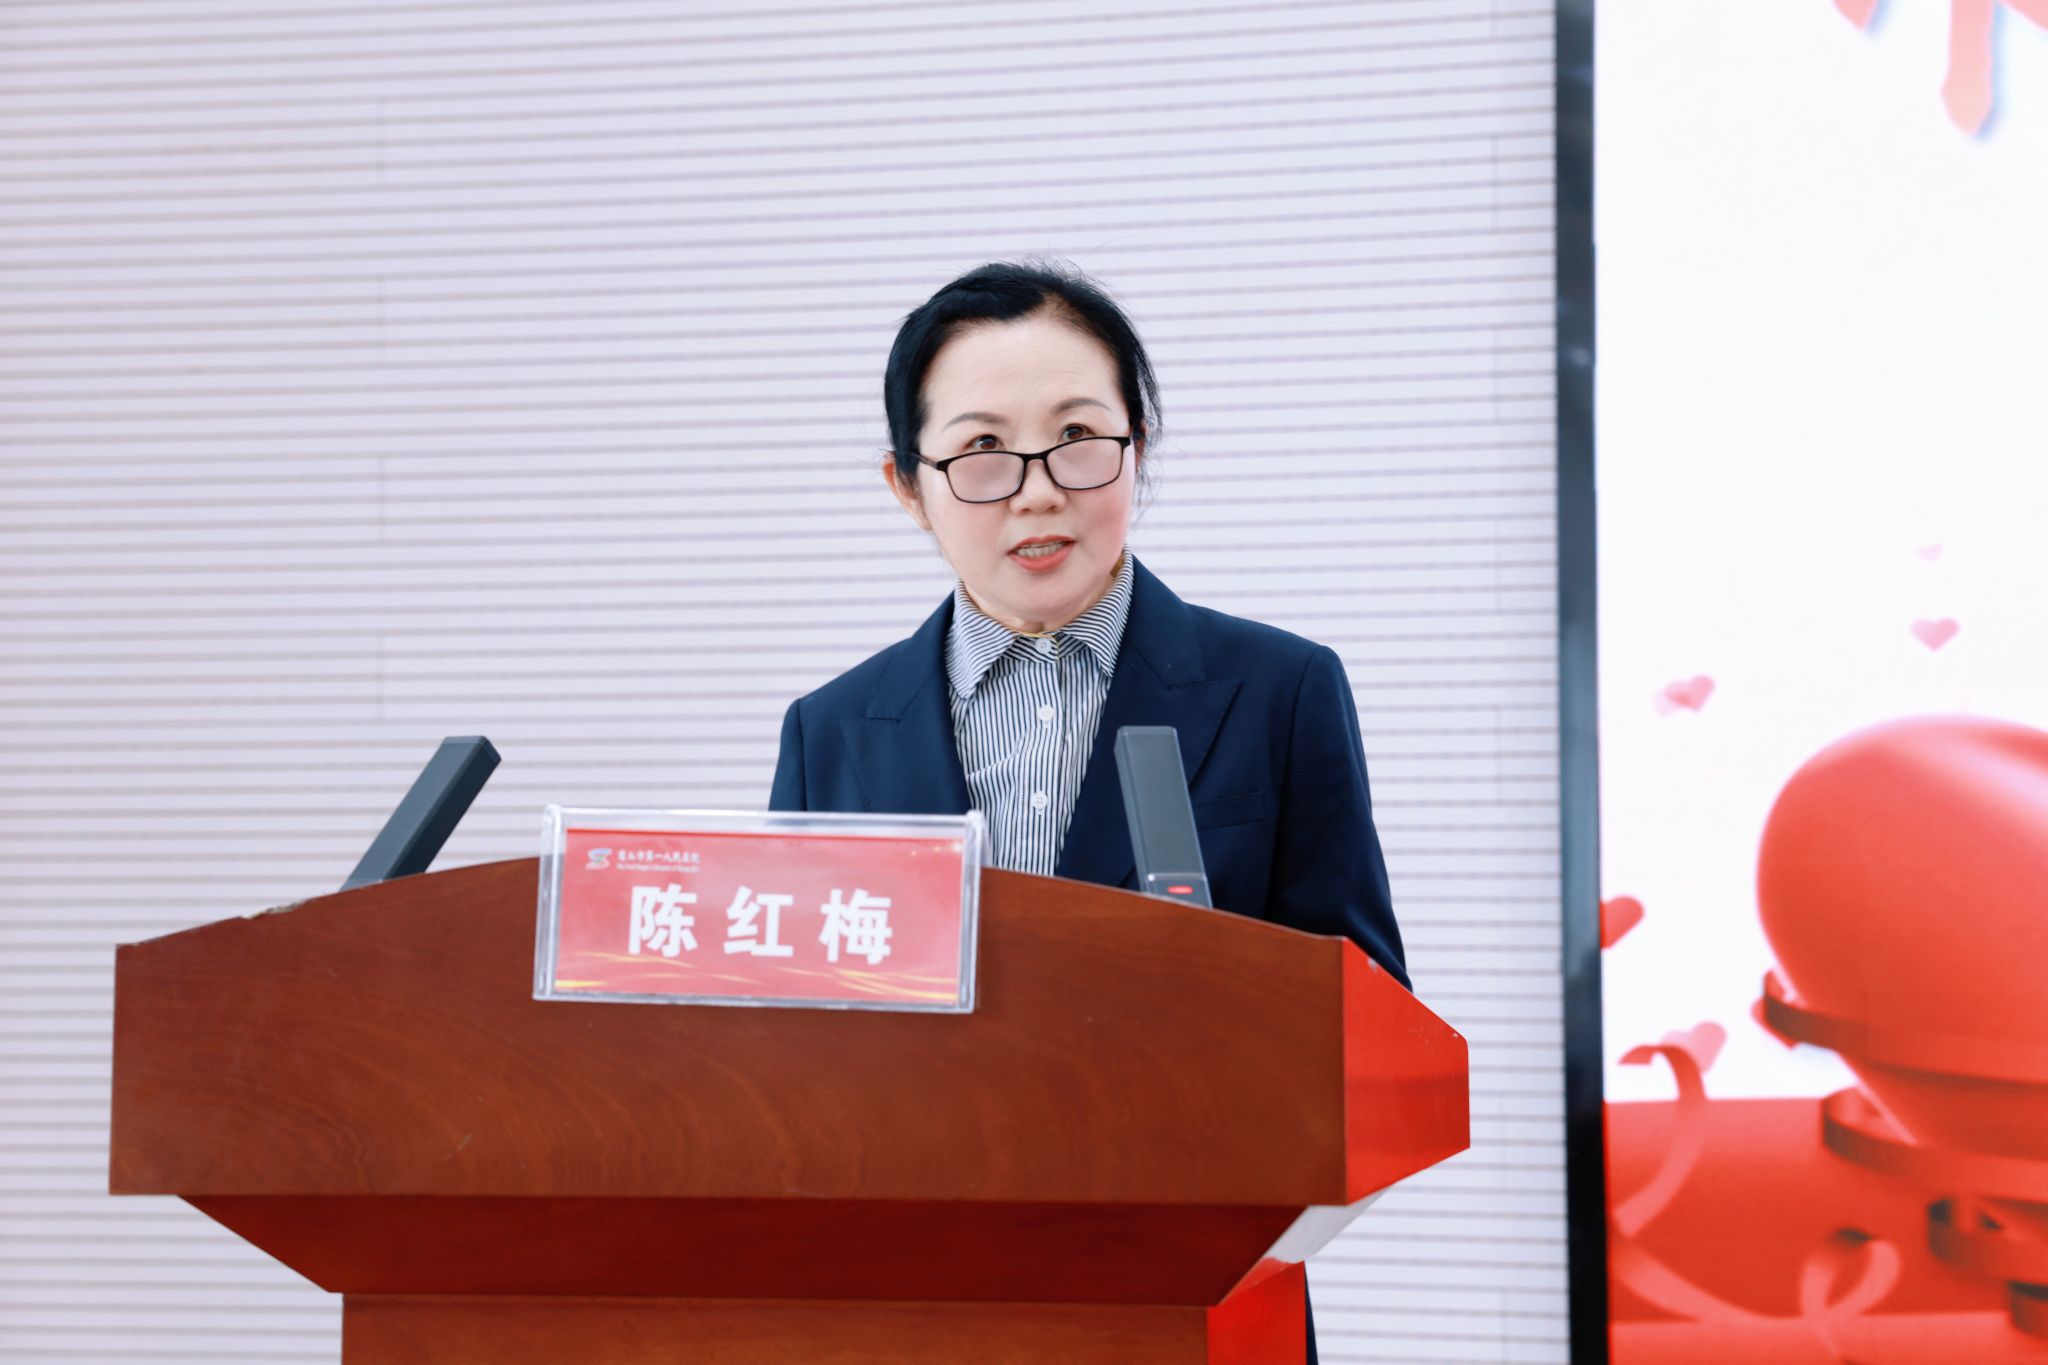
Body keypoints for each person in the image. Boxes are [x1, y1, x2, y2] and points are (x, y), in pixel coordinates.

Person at [768, 259, 1408, 1362]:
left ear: (1135, 447)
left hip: (1194, 1297)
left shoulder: (1278, 691)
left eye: (1077, 437)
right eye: (980, 449)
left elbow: (1366, 1017)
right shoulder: (830, 732)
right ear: (907, 485)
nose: (1036, 490)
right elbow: (782, 1055)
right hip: (914, 1307)